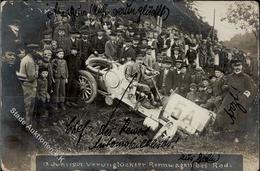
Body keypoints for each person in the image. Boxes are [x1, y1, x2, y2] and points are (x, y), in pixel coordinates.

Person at [215, 58, 256, 140]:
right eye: (235, 66)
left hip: (241, 99)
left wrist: (243, 98)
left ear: (242, 67)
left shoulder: (246, 78)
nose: (237, 68)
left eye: (239, 66)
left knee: (240, 115)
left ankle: (238, 136)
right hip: (229, 98)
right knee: (221, 112)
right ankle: (221, 133)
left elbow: (249, 90)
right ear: (232, 67)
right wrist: (224, 87)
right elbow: (223, 87)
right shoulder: (229, 77)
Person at [17, 44, 39, 125]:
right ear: (31, 50)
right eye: (35, 50)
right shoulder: (30, 61)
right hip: (30, 86)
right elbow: (32, 77)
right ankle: (28, 125)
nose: (36, 51)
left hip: (25, 85)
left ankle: (27, 124)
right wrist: (37, 70)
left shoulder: (24, 59)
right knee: (29, 107)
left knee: (27, 105)